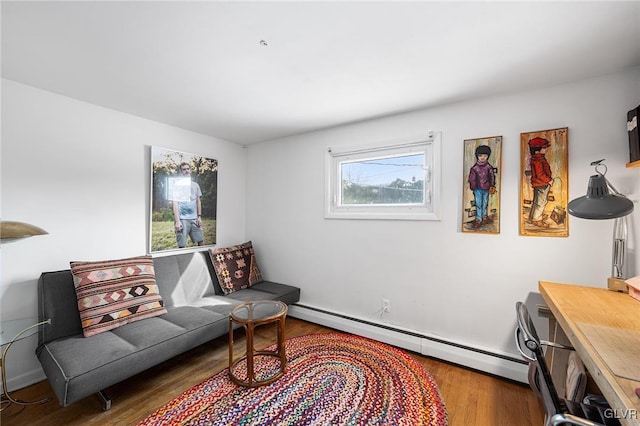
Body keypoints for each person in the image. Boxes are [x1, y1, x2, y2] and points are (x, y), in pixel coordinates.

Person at [172, 162, 204, 247]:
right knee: (181, 245)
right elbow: (175, 203)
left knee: (201, 241)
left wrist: (199, 216)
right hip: (182, 219)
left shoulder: (195, 185)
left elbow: (198, 201)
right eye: (184, 169)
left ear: (190, 170)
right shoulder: (177, 185)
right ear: (181, 171)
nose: (186, 171)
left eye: (187, 169)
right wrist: (178, 221)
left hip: (194, 219)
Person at [468, 145, 496, 228]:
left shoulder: (489, 167)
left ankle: (484, 217)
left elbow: (492, 177)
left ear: (488, 156)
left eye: (485, 156)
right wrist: (473, 187)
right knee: (479, 204)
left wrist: (492, 185)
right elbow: (471, 179)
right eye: (480, 156)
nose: (482, 157)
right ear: (477, 156)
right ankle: (478, 219)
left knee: (485, 203)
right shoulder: (474, 168)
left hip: (486, 188)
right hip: (477, 189)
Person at [527, 137, 553, 228]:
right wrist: (549, 180)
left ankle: (532, 217)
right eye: (544, 148)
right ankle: (537, 219)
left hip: (539, 184)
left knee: (536, 202)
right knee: (541, 202)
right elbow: (540, 174)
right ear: (537, 151)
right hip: (541, 184)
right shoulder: (538, 160)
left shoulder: (537, 158)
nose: (546, 150)